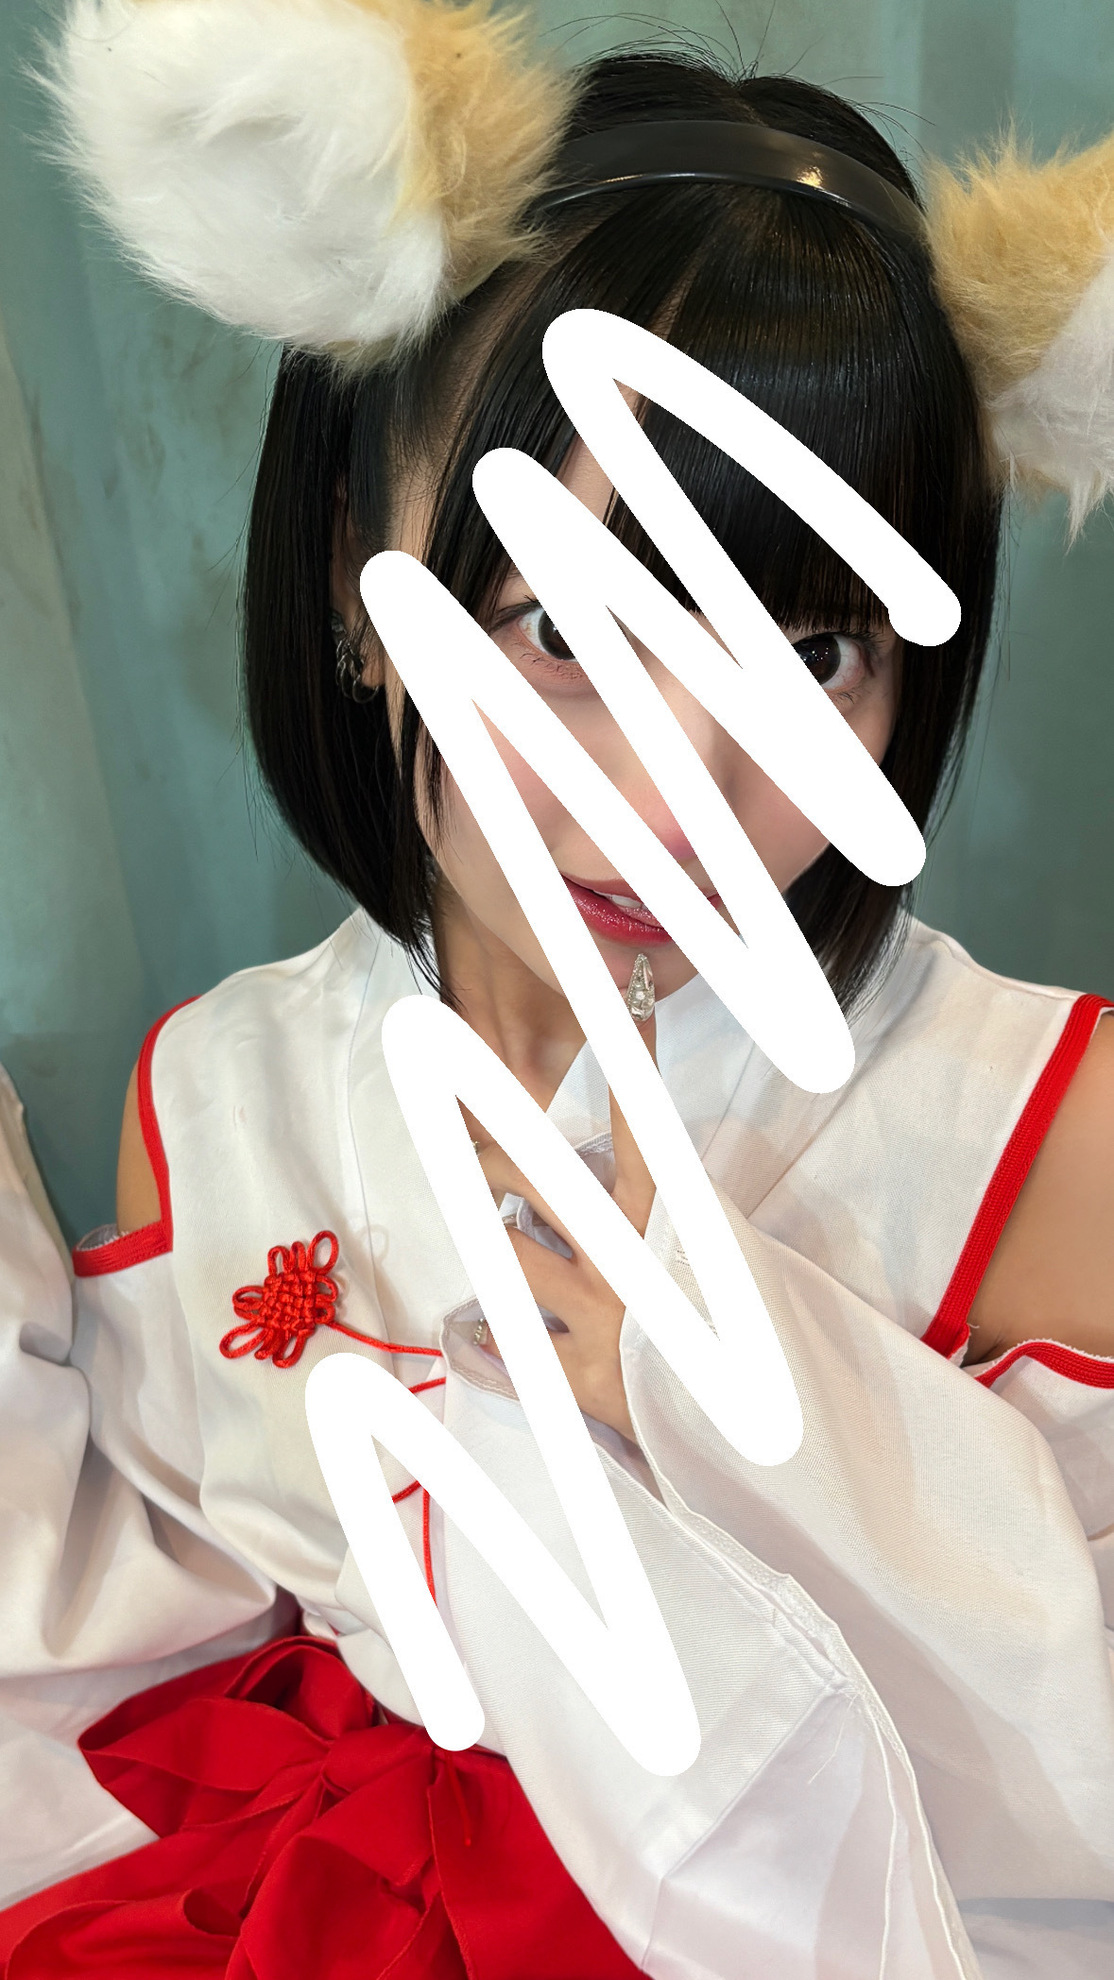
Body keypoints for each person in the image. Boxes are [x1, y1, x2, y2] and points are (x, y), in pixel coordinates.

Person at [1, 3, 1113, 1974]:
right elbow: (156, 1658)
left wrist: (756, 1413)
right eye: (560, 629)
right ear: (356, 586)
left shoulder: (1041, 1128)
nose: (672, 796)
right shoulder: (226, 1086)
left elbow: (1068, 1815)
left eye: (811, 650)